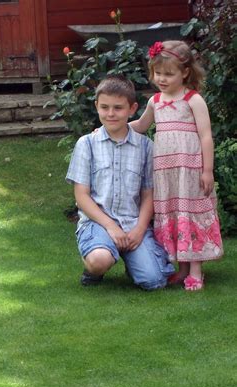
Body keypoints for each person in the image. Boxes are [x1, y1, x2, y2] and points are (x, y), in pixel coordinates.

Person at [66, 74, 174, 290]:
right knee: (99, 260)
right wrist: (110, 226)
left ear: (132, 109)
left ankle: (133, 259)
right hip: (98, 223)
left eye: (118, 108)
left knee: (154, 281)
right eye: (104, 107)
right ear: (96, 106)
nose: (111, 113)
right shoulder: (87, 144)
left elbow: (148, 194)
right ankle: (94, 269)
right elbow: (81, 196)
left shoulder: (145, 147)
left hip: (132, 223)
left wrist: (140, 228)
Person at [130, 40, 223, 291]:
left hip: (190, 168)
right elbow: (140, 126)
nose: (162, 78)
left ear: (185, 72)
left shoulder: (193, 100)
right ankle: (182, 268)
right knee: (174, 212)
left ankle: (196, 269)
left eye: (168, 74)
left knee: (191, 212)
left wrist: (207, 170)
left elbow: (206, 136)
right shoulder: (155, 101)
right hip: (166, 171)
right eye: (157, 73)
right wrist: (112, 127)